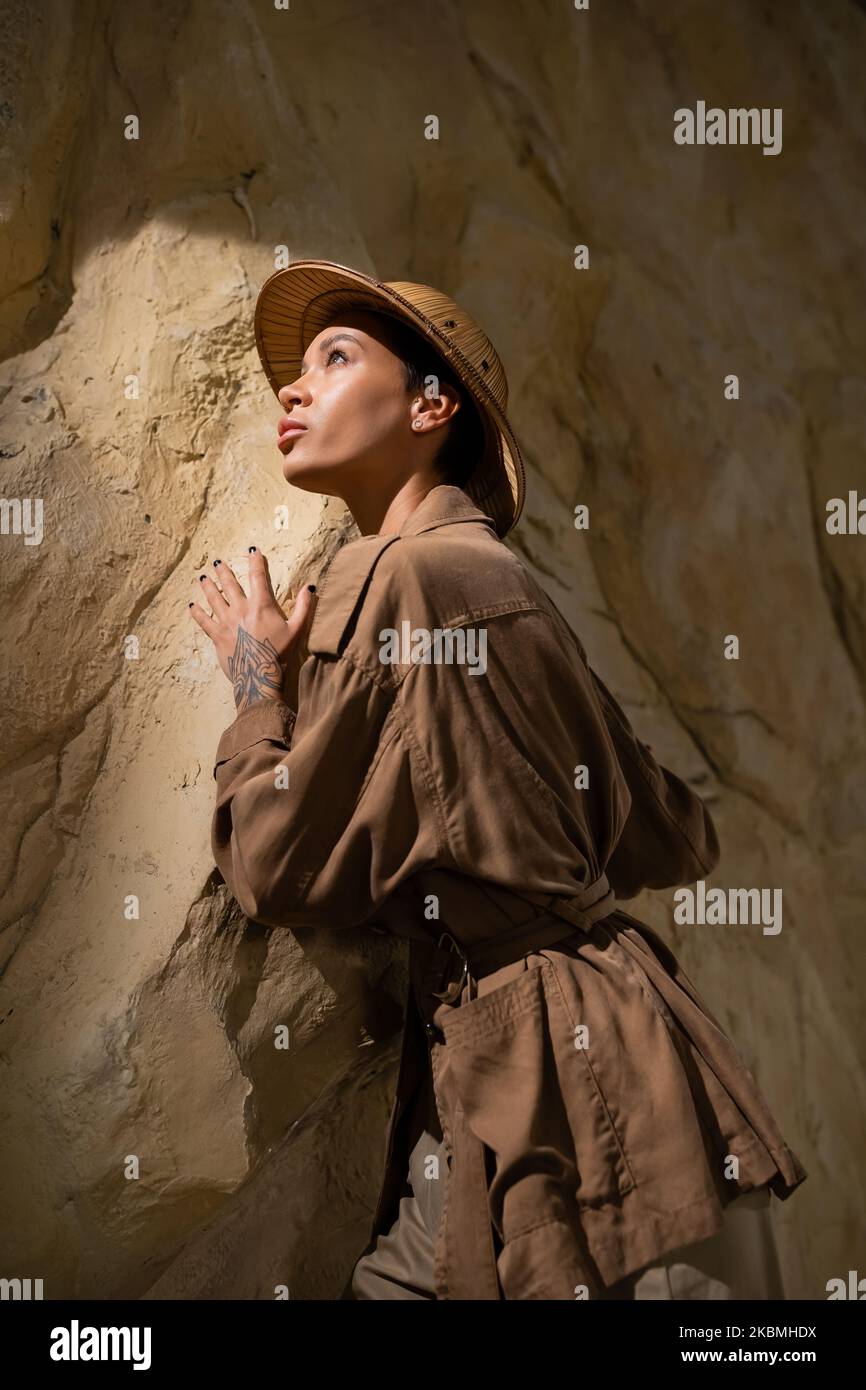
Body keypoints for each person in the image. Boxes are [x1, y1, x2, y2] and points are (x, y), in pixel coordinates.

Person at [190, 259, 807, 1300]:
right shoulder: (507, 583)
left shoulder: (392, 575)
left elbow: (273, 863)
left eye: (334, 359)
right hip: (636, 1073)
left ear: (431, 405)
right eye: (295, 371)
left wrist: (259, 685)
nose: (293, 389)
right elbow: (672, 835)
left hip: (564, 1100)